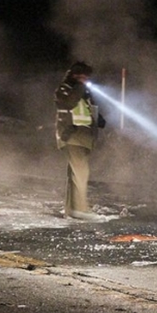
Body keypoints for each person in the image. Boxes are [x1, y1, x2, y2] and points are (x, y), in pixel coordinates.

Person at [54, 61, 106, 220]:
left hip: (84, 137)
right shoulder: (65, 90)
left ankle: (72, 209)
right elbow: (68, 103)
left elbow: (87, 111)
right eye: (82, 76)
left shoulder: (84, 93)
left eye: (86, 77)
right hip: (72, 136)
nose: (85, 80)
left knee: (75, 175)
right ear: (74, 76)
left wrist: (99, 120)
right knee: (81, 173)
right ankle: (81, 209)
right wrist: (80, 86)